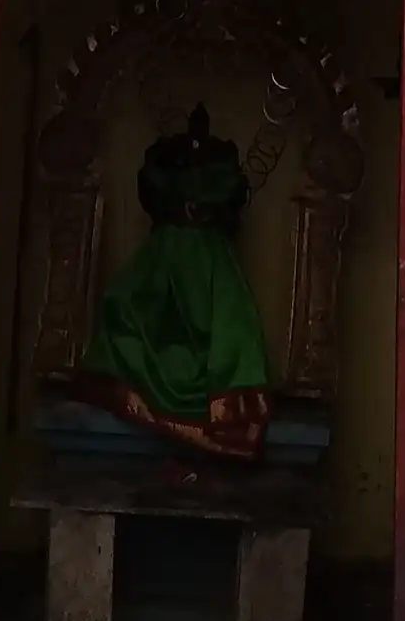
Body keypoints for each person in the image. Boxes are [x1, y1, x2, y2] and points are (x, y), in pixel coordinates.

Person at [78, 104, 272, 461]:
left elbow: (234, 331)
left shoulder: (202, 257)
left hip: (197, 254)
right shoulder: (175, 254)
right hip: (185, 253)